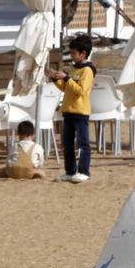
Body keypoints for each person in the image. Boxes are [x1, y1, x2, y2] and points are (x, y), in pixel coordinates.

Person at [49, 33, 95, 184]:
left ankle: (84, 171)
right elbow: (66, 89)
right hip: (68, 111)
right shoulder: (74, 69)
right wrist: (55, 78)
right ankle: (70, 171)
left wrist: (67, 78)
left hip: (80, 112)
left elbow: (80, 90)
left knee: (83, 143)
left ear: (83, 53)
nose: (72, 56)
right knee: (67, 143)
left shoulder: (87, 70)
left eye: (74, 53)